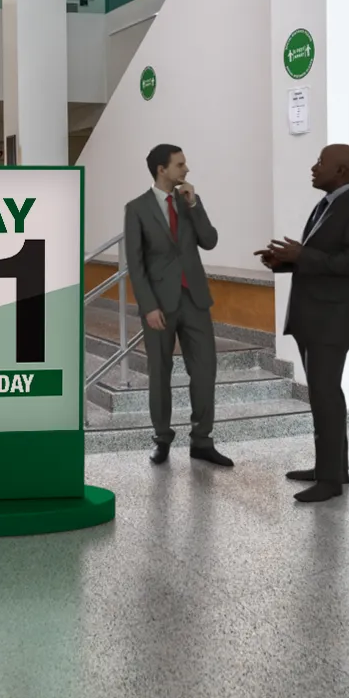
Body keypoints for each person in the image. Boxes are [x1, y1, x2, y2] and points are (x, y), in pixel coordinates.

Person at [255, 143, 349, 503]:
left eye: (321, 162)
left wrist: (303, 254)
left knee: (326, 396)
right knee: (322, 395)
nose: (313, 167)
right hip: (314, 318)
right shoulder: (327, 207)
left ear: (341, 171)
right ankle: (331, 468)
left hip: (332, 321)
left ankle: (329, 480)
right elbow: (325, 259)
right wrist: (283, 261)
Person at [121, 144, 233, 467]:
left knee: (205, 369)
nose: (186, 169)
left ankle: (201, 440)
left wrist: (195, 205)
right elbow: (136, 263)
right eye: (180, 164)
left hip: (195, 299)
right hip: (159, 305)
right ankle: (161, 439)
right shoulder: (137, 209)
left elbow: (209, 240)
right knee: (160, 373)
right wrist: (147, 306)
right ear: (162, 169)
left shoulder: (189, 202)